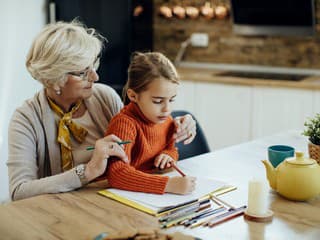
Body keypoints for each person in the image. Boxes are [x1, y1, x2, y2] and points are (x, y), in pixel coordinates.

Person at [6, 21, 197, 201]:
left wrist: (176, 127)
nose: (95, 76)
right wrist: (88, 171)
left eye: (93, 66)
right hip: (58, 209)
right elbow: (19, 191)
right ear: (54, 77)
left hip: (107, 200)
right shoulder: (26, 119)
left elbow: (139, 138)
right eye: (83, 72)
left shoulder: (104, 97)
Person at [105, 52, 196, 195]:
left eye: (171, 100)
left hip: (149, 195)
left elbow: (171, 148)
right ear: (133, 96)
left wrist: (168, 155)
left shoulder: (165, 119)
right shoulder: (124, 124)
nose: (167, 109)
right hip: (125, 197)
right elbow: (116, 173)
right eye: (158, 101)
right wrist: (168, 185)